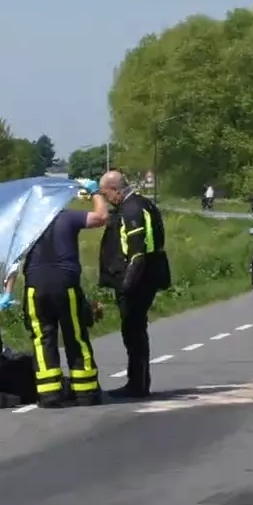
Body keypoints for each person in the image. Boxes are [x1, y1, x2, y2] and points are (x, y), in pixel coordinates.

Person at [22, 180, 111, 407]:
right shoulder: (67, 217)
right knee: (75, 334)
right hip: (65, 283)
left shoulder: (25, 224)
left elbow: (10, 259)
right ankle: (86, 392)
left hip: (35, 285)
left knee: (42, 338)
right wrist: (95, 193)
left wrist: (5, 290)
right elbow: (101, 217)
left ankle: (49, 394)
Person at [98, 170, 171, 399]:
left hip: (138, 280)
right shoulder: (139, 204)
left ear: (115, 189)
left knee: (133, 330)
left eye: (106, 193)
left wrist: (126, 286)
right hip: (144, 277)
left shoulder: (132, 210)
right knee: (134, 330)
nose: (107, 198)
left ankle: (138, 384)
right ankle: (137, 381)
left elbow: (137, 254)